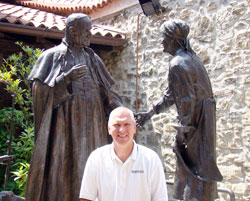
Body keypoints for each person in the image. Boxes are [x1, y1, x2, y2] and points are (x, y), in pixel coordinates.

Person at [25, 13, 123, 201]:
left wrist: (123, 114)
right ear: (72, 30)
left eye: (90, 30)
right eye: (86, 31)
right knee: (68, 172)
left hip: (93, 128)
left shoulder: (93, 59)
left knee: (94, 171)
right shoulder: (52, 56)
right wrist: (65, 80)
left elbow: (108, 92)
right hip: (66, 130)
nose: (89, 35)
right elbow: (39, 93)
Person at [135, 19, 223, 201]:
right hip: (203, 124)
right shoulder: (193, 60)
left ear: (173, 39)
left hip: (195, 128)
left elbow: (186, 100)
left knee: (192, 174)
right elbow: (171, 96)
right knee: (199, 174)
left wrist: (184, 132)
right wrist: (150, 113)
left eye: (163, 37)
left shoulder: (177, 63)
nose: (161, 42)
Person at [79, 107, 168, 201]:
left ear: (134, 128)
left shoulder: (151, 159)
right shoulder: (96, 158)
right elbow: (87, 198)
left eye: (127, 124)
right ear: (109, 129)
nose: (122, 130)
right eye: (117, 125)